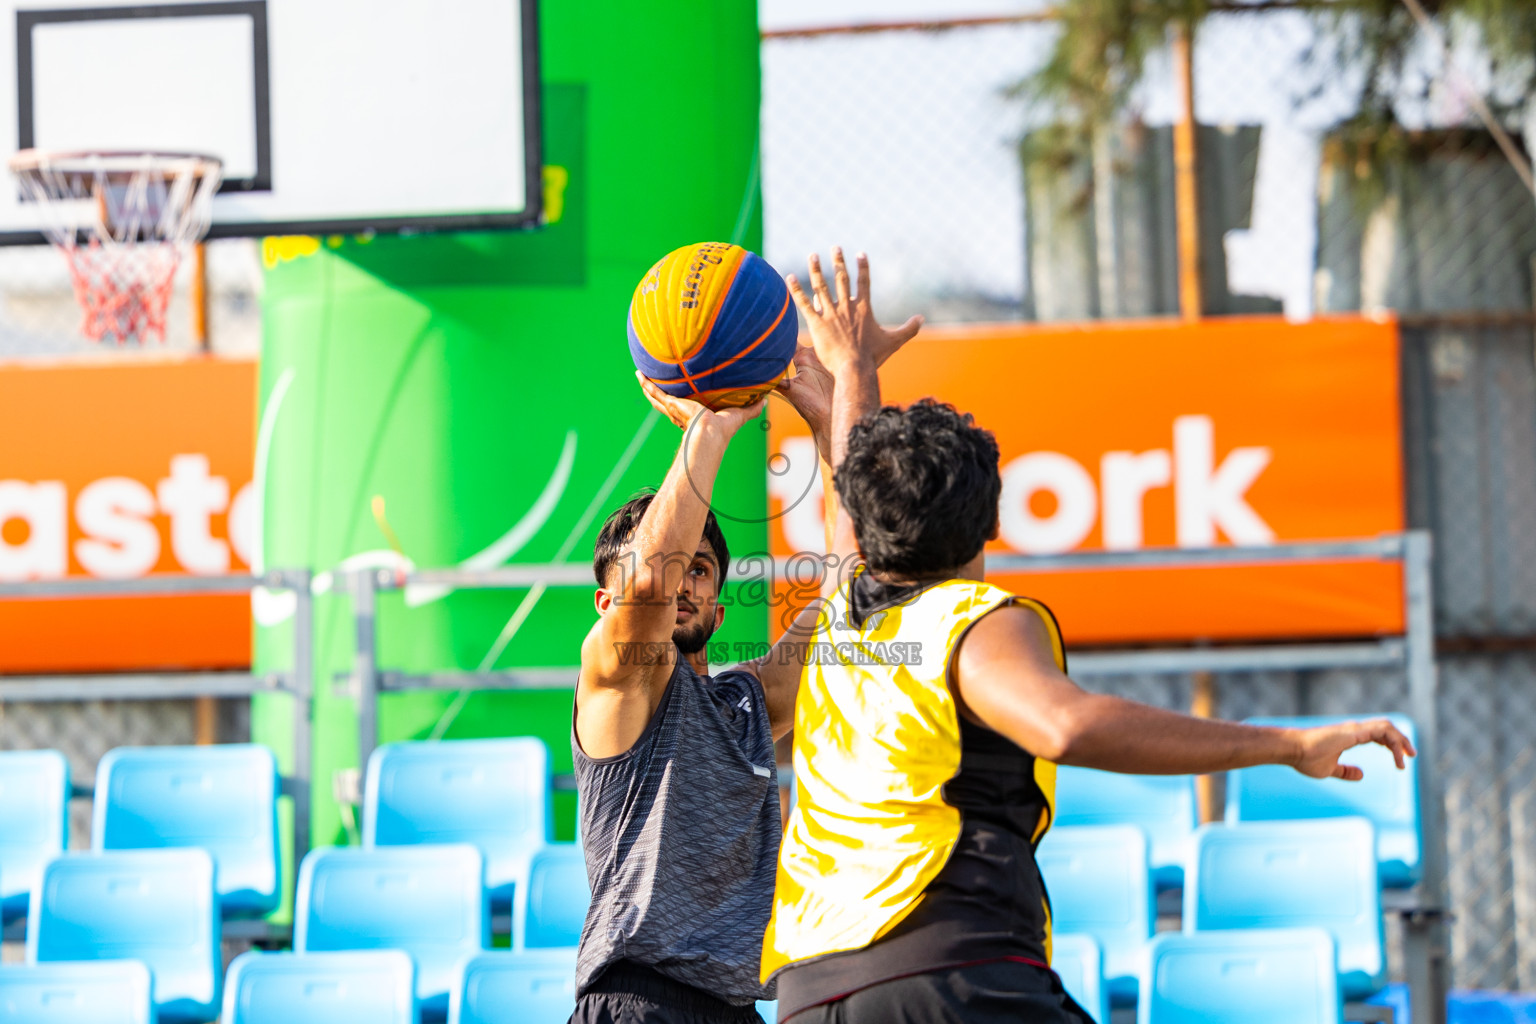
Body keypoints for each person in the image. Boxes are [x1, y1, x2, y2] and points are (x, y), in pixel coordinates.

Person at [760, 249, 1418, 1023]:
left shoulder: (836, 621)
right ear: (994, 523)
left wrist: (851, 371)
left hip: (812, 996)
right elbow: (1064, 726)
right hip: (949, 977)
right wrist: (1283, 744)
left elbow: (852, 516)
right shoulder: (970, 621)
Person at [569, 255, 920, 1024]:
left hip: (737, 1006)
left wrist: (830, 412)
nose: (684, 580)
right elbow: (649, 594)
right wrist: (712, 421)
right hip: (637, 1001)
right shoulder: (612, 681)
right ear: (607, 600)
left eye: (704, 570)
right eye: (671, 565)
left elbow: (857, 588)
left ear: (722, 608)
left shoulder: (744, 703)